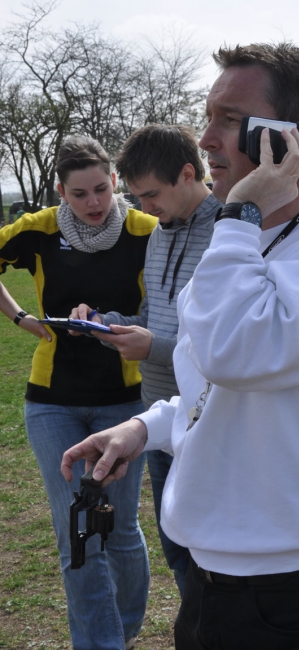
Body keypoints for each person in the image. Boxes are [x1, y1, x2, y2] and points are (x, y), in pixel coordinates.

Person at [62, 43, 299, 650]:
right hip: (216, 580)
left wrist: (239, 212)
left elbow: (235, 355)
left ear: (291, 142)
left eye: (230, 120)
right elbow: (209, 386)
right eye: (207, 116)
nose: (206, 139)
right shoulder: (243, 249)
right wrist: (145, 428)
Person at [0, 135, 158, 650]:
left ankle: (126, 627)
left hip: (125, 400)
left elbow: (169, 308)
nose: (93, 203)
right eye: (79, 194)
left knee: (120, 528)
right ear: (61, 194)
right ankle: (102, 643)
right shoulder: (38, 229)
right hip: (52, 400)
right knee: (78, 528)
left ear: (115, 182)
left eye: (101, 189)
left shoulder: (145, 231)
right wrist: (21, 316)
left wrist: (118, 327)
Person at [71, 124, 221, 595]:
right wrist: (107, 324)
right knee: (176, 546)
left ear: (188, 173)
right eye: (135, 197)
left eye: (151, 194)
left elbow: (226, 345)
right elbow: (154, 317)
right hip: (156, 412)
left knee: (211, 552)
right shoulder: (159, 234)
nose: (145, 207)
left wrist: (151, 345)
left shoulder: (230, 232)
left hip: (209, 417)